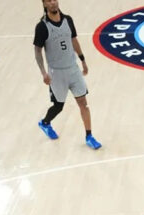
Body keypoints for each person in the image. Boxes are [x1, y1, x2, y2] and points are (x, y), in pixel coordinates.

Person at [34, 0, 101, 149]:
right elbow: (37, 50)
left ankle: (89, 136)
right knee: (58, 106)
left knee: (83, 102)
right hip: (56, 73)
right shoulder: (42, 27)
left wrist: (82, 59)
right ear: (44, 4)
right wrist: (43, 72)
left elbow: (73, 40)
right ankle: (45, 123)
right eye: (49, 1)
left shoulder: (68, 20)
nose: (53, 3)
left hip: (73, 69)